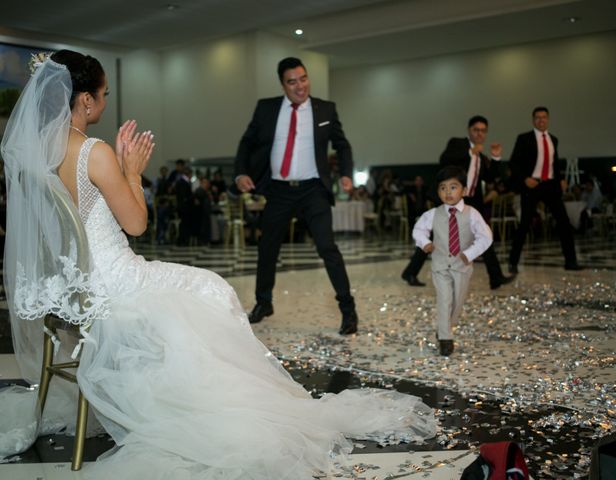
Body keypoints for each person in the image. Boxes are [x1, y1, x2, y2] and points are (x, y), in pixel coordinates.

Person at [0, 50, 436, 478]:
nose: (107, 101)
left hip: (74, 286)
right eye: (105, 93)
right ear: (87, 100)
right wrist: (132, 170)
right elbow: (135, 223)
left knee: (199, 289)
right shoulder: (95, 152)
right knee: (211, 288)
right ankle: (213, 405)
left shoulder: (37, 153)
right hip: (117, 283)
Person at [234, 57, 358, 335]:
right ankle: (263, 302)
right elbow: (247, 142)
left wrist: (346, 173)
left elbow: (342, 145)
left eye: (303, 79)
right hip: (278, 189)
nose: (300, 86)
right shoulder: (266, 109)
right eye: (292, 81)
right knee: (267, 248)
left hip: (314, 189)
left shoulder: (325, 109)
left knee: (327, 247)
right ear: (283, 84)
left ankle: (348, 310)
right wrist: (240, 173)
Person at [402, 116, 514, 290]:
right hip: (450, 199)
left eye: (483, 131)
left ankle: (495, 277)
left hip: (470, 201)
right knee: (435, 236)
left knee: (482, 233)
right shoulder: (458, 144)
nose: (479, 133)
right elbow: (444, 159)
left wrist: (497, 158)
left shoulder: (481, 157)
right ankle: (410, 272)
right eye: (476, 130)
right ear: (469, 130)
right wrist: (470, 152)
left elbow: (491, 177)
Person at [412, 166, 492, 356]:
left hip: (462, 267)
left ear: (464, 190)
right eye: (443, 188)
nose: (448, 192)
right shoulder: (433, 214)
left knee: (457, 303)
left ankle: (444, 327)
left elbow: (486, 236)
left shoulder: (472, 214)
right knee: (444, 299)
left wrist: (470, 253)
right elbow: (418, 230)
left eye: (453, 187)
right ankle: (445, 339)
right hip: (440, 266)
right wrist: (425, 243)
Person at [508, 107, 581, 272]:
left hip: (550, 185)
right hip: (532, 184)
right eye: (537, 118)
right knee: (525, 223)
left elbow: (554, 163)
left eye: (544, 117)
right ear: (533, 120)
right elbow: (513, 163)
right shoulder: (524, 138)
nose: (541, 120)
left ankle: (571, 262)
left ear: (548, 119)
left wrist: (561, 178)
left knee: (563, 222)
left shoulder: (553, 139)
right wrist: (525, 179)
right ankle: (513, 262)